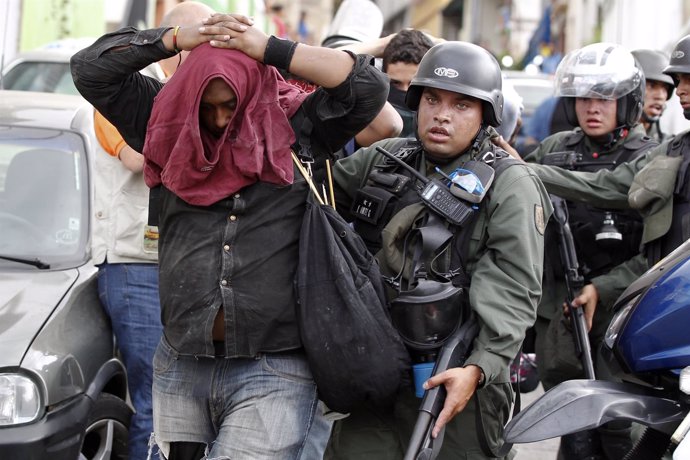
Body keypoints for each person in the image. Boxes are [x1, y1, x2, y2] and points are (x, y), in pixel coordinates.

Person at [71, 11, 388, 460]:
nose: (219, 120)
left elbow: (367, 89)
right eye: (208, 108)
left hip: (276, 367)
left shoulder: (296, 127)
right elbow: (89, 68)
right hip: (182, 359)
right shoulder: (163, 120)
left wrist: (269, 49)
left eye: (230, 106)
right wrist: (176, 38)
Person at [325, 40, 552, 460]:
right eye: (432, 99)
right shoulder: (388, 159)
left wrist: (477, 368)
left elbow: (513, 291)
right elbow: (311, 195)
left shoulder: (510, 184)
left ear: (487, 113)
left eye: (462, 105)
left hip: (456, 380)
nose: (442, 115)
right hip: (374, 372)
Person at [521, 42, 658, 460]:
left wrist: (606, 286)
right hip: (560, 311)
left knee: (622, 428)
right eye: (583, 98)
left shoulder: (651, 157)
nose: (591, 107)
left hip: (627, 309)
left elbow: (659, 249)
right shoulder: (554, 149)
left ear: (626, 102)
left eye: (603, 98)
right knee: (571, 424)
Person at [90, 3, 214, 459]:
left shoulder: (204, 92)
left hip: (184, 267)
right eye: (203, 38)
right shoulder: (123, 95)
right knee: (155, 400)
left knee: (187, 404)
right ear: (178, 38)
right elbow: (143, 161)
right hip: (137, 268)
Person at [380, 29, 435, 137]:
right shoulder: (372, 116)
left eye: (413, 83)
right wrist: (381, 45)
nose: (405, 91)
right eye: (396, 83)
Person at [632, 49, 675, 142]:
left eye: (665, 88)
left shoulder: (670, 146)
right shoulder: (604, 140)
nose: (660, 96)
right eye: (652, 86)